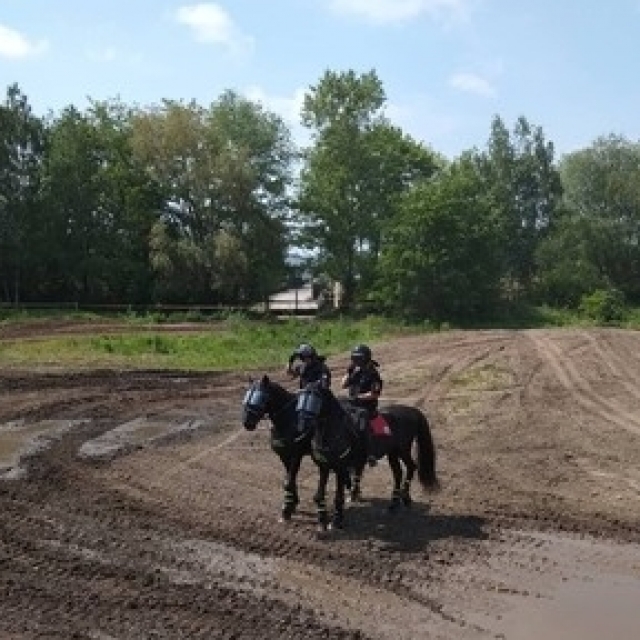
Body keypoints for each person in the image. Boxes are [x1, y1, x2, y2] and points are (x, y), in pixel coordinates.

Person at [341, 343, 383, 466]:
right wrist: (349, 373)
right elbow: (343, 385)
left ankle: (370, 454)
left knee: (362, 421)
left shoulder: (373, 373)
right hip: (352, 404)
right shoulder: (355, 370)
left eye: (358, 358)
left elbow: (375, 394)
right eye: (354, 358)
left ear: (365, 358)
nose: (356, 361)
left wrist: (358, 397)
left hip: (366, 407)